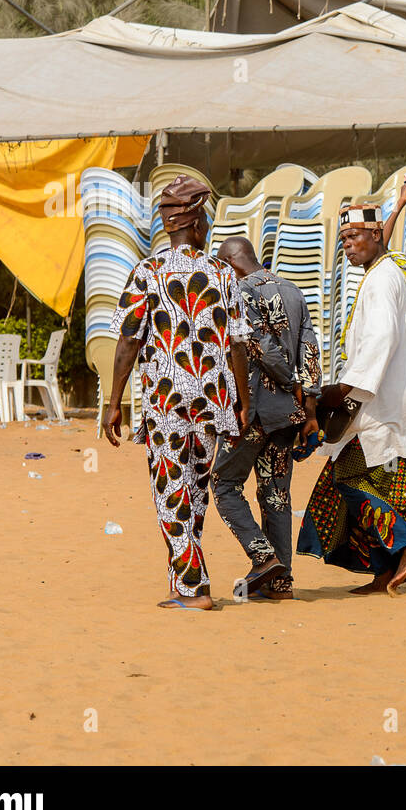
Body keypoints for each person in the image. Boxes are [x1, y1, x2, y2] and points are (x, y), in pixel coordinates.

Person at [103, 176, 282, 610]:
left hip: (164, 403)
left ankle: (192, 588)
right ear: (198, 225)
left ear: (169, 226)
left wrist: (113, 403)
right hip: (213, 402)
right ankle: (185, 581)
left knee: (171, 490)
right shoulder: (222, 274)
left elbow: (127, 340)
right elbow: (237, 343)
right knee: (196, 492)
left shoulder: (148, 272)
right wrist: (241, 402)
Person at [296, 209, 406, 596]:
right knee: (381, 490)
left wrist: (342, 389)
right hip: (391, 403)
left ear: (377, 234)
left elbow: (381, 341)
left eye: (354, 236)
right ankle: (385, 572)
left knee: (347, 479)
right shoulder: (383, 273)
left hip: (383, 405)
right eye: (343, 239)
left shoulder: (383, 278)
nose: (347, 245)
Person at [211, 236, 321, 601]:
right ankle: (281, 584)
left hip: (253, 409)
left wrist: (289, 384)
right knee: (276, 494)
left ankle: (263, 556)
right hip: (287, 415)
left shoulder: (238, 291)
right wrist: (308, 405)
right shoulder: (293, 290)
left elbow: (257, 347)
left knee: (224, 484)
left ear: (228, 262)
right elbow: (310, 351)